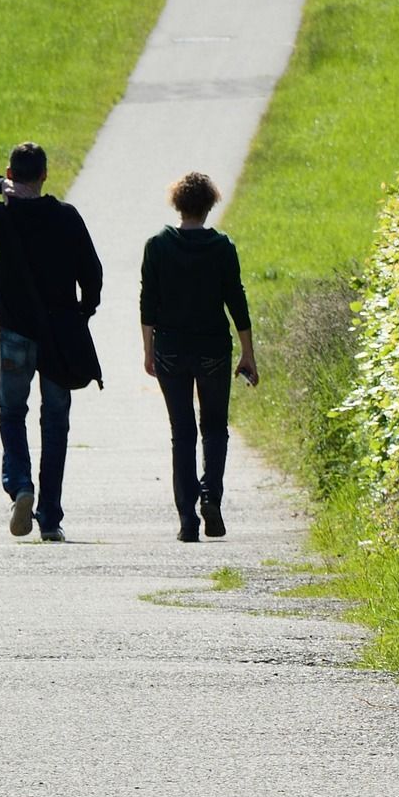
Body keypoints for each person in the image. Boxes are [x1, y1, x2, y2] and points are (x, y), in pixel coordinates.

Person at [0, 142, 103, 542]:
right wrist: (83, 311)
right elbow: (93, 274)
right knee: (56, 423)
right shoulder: (66, 217)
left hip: (14, 331)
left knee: (12, 412)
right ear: (45, 175)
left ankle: (21, 486)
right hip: (59, 336)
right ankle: (49, 518)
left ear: (11, 176)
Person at [140, 171, 258, 542]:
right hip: (213, 350)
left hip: (171, 349)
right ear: (209, 205)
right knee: (214, 428)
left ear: (177, 203)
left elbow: (148, 303)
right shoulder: (222, 247)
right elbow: (236, 301)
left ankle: (187, 520)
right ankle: (212, 496)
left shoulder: (157, 245)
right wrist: (248, 353)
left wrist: (148, 351)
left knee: (182, 433)